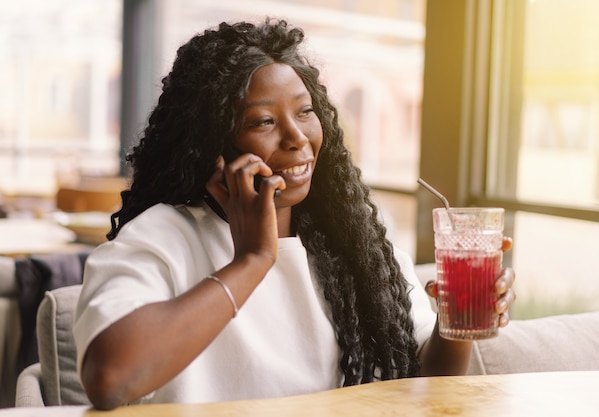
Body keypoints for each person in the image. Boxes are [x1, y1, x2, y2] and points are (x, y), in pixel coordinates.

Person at [73, 18, 516, 410]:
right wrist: (251, 261)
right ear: (212, 143)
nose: (296, 138)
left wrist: (457, 325)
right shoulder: (161, 236)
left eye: (305, 112)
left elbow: (425, 384)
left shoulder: (355, 243)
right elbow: (108, 378)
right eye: (262, 122)